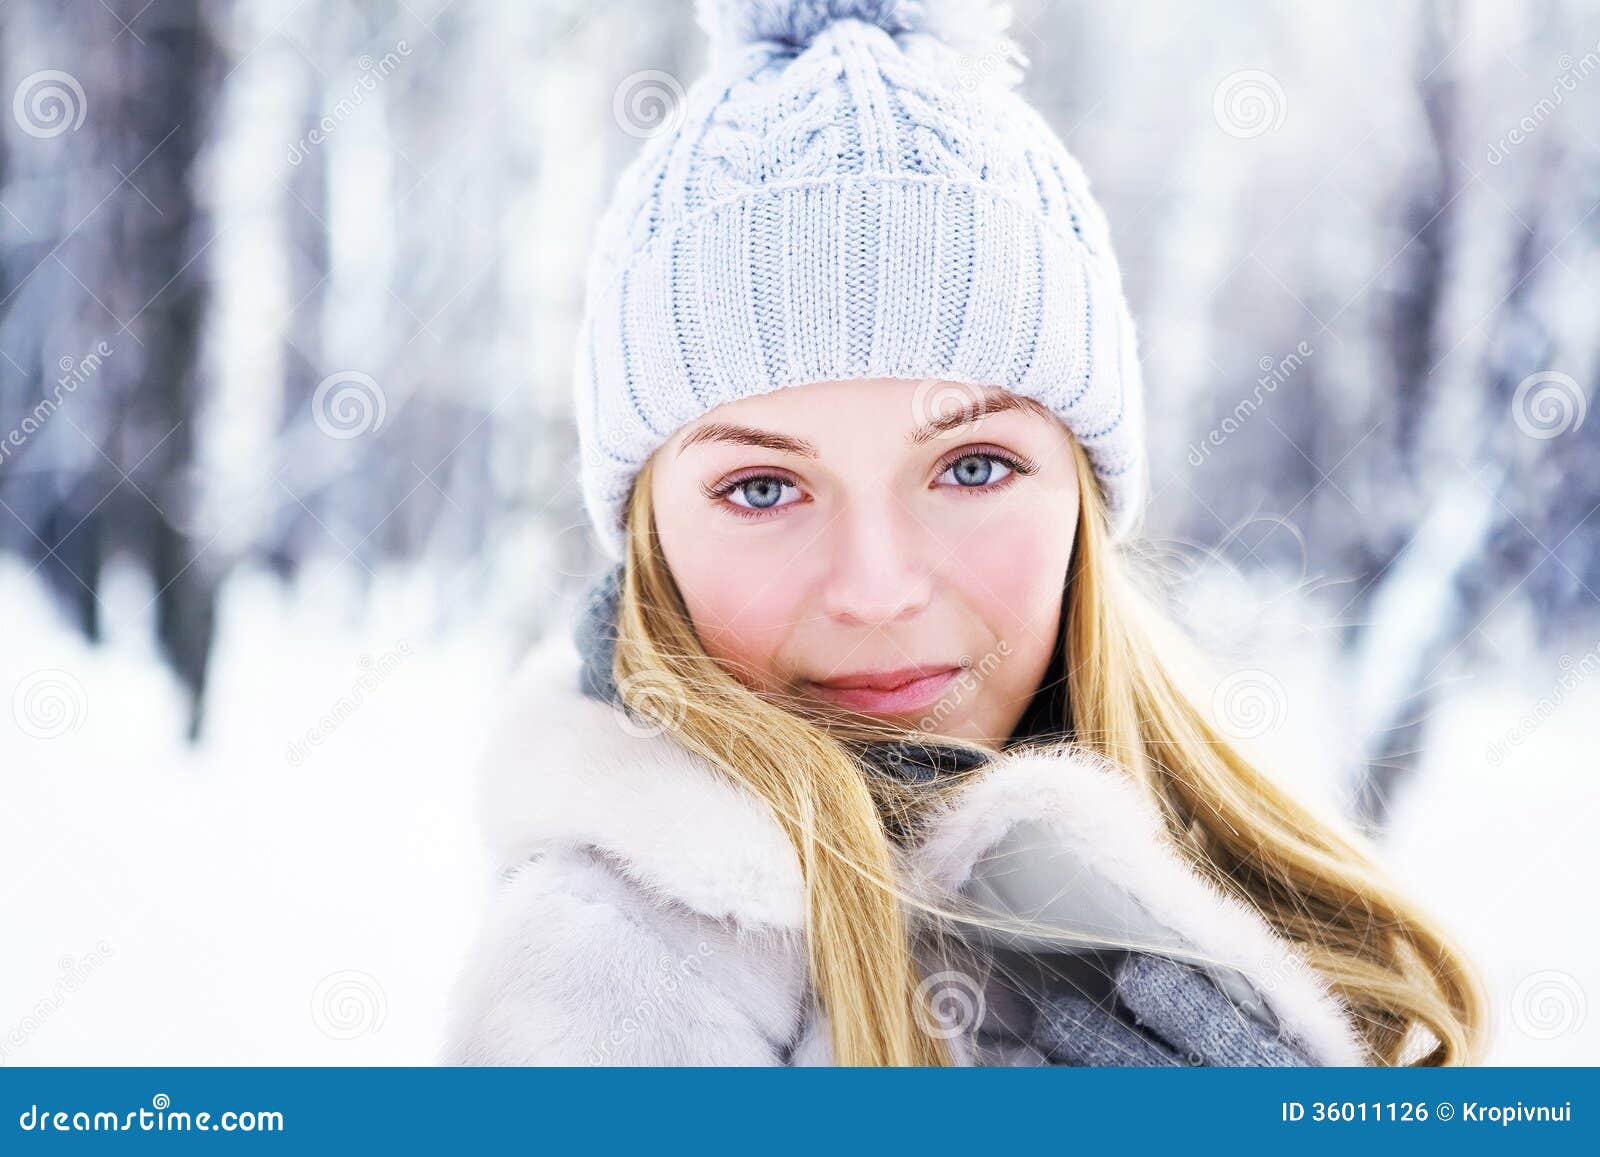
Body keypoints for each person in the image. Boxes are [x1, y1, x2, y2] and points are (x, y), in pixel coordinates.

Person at [443, 0, 1487, 1067]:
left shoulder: (1283, 924)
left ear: (1081, 496)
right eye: (761, 487)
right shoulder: (597, 987)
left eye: (972, 466)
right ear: (649, 533)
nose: (877, 587)